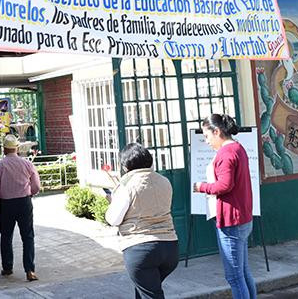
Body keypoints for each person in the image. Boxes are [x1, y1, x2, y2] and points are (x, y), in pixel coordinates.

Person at [193, 114, 256, 299]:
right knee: (243, 274)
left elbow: (224, 185)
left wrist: (200, 187)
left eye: (206, 136)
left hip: (231, 221)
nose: (206, 141)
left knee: (235, 277)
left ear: (217, 131)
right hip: (243, 217)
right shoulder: (238, 148)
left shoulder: (226, 153)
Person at [105, 143, 178, 299]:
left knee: (150, 293)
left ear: (125, 166)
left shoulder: (127, 186)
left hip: (140, 249)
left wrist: (112, 200)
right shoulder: (164, 181)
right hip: (170, 247)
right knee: (146, 290)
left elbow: (113, 219)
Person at [0, 134, 41, 282]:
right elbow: (36, 185)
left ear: (4, 149)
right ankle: (30, 270)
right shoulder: (27, 164)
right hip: (24, 203)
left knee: (6, 236)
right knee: (28, 236)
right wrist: (30, 193)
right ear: (16, 148)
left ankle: (7, 267)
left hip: (7, 205)